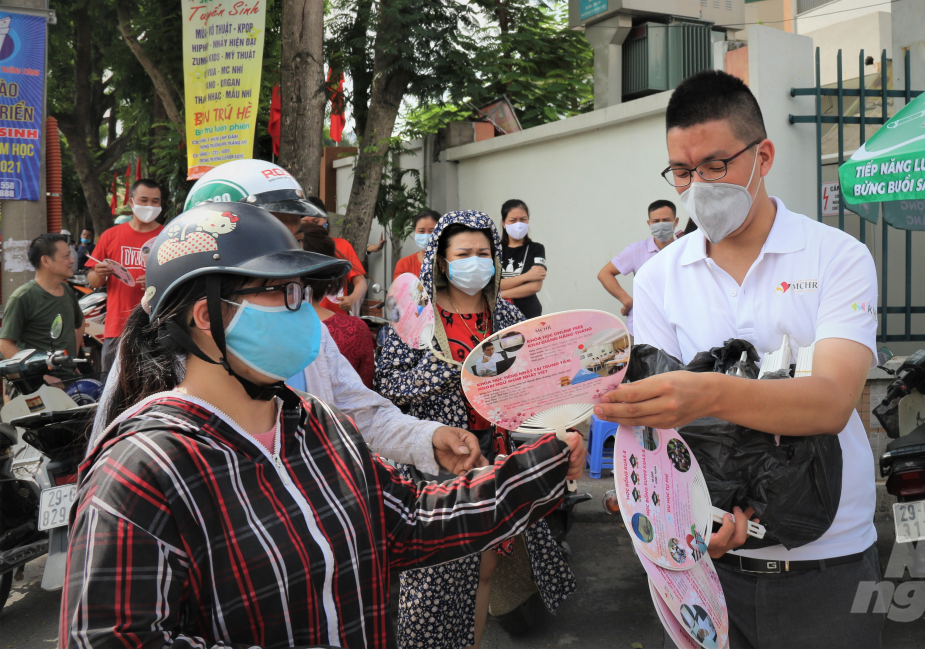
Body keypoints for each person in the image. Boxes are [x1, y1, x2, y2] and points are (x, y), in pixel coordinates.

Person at [60, 201, 585, 649]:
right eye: (282, 295)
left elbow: (414, 518)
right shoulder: (141, 472)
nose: (306, 314)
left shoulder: (318, 425)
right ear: (206, 316)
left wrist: (543, 463)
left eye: (304, 294)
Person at [594, 70, 885, 648]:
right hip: (708, 568)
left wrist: (707, 393)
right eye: (682, 171)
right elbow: (667, 434)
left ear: (764, 155)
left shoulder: (836, 257)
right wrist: (684, 513)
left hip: (828, 563)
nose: (697, 185)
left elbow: (830, 402)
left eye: (715, 165)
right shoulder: (657, 279)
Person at [89, 158, 484, 479]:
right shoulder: (149, 439)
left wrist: (427, 438)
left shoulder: (299, 330)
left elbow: (357, 411)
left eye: (293, 236)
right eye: (273, 233)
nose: (289, 251)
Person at [375, 210, 576, 649]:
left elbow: (525, 381)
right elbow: (388, 384)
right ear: (442, 261)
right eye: (464, 253)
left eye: (484, 253)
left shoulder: (503, 312)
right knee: (432, 581)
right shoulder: (412, 312)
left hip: (495, 453)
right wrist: (454, 372)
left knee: (485, 564)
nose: (475, 261)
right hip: (435, 458)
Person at [87, 178, 164, 374]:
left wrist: (156, 281)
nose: (149, 205)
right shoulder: (110, 236)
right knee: (111, 389)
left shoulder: (167, 236)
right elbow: (93, 281)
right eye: (144, 200)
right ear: (131, 203)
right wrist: (99, 272)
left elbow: (180, 281)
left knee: (152, 388)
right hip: (117, 329)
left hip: (156, 328)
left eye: (155, 201)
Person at [301, 222, 376, 387]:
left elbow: (360, 281)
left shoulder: (266, 327)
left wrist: (351, 298)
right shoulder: (356, 330)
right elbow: (363, 392)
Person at [0, 234, 84, 379]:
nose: (72, 260)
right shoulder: (23, 297)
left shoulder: (67, 291)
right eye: (66, 256)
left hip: (66, 381)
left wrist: (71, 360)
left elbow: (80, 323)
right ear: (46, 261)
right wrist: (39, 377)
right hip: (35, 389)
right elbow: (5, 344)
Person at [597, 200, 680, 336]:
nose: (661, 225)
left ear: (675, 222)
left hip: (676, 324)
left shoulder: (684, 250)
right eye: (656, 221)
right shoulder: (637, 250)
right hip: (642, 326)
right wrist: (627, 300)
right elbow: (605, 274)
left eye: (666, 220)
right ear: (649, 223)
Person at [499, 199, 546, 319]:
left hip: (529, 314)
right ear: (504, 223)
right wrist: (527, 276)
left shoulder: (536, 248)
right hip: (500, 314)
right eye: (513, 220)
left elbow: (535, 286)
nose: (518, 224)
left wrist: (501, 294)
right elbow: (491, 285)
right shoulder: (494, 250)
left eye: (523, 219)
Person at [394, 209, 441, 281]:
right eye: (421, 231)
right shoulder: (404, 264)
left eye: (432, 231)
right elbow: (399, 290)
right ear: (415, 231)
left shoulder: (448, 264)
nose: (426, 236)